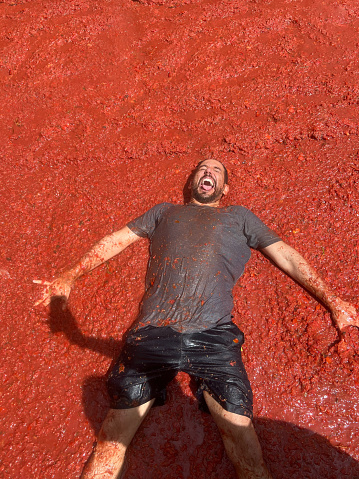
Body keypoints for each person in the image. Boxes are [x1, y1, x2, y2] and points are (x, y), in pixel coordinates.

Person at [34, 159, 358, 479]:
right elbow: (116, 241)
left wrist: (333, 301)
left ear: (225, 188)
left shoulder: (239, 216)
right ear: (191, 183)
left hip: (215, 335)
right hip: (153, 331)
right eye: (203, 168)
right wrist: (69, 277)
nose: (208, 172)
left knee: (245, 447)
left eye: (217, 170)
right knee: (110, 445)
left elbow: (286, 254)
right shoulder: (163, 212)